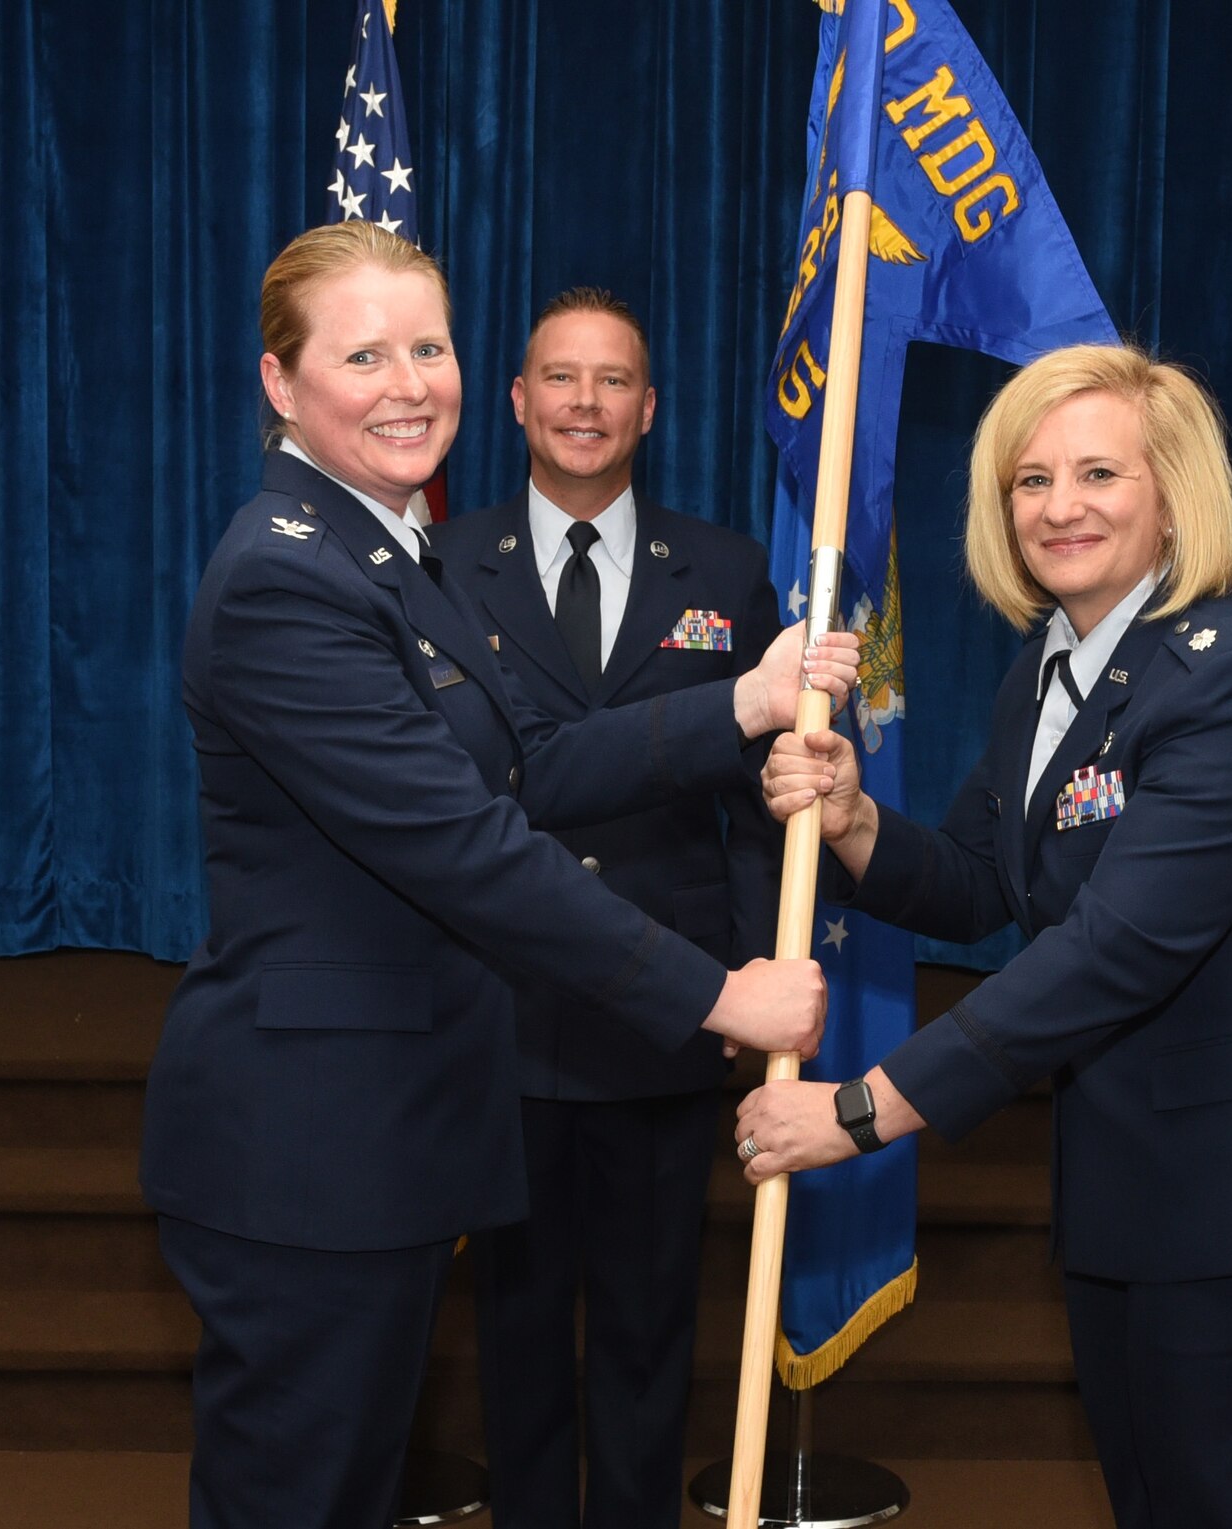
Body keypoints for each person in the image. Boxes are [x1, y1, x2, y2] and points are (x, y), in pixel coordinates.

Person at [137, 223, 856, 1529]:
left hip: (386, 1138)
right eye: (364, 353)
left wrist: (742, 702)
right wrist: (717, 997)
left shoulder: (391, 552)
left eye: (429, 345)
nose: (411, 381)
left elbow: (531, 760)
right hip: (310, 1145)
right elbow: (469, 849)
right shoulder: (286, 582)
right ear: (281, 385)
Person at [740, 343, 1232, 1529]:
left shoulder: (1228, 685)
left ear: (1169, 497)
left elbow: (1109, 951)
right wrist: (848, 819)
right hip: (1130, 1196)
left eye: (1098, 473)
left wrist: (857, 1112)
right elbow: (972, 884)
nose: (1058, 507)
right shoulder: (1046, 670)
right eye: (1028, 479)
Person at [435, 288, 783, 1529]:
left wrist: (750, 988)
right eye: (559, 379)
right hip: (506, 1012)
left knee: (648, 1334)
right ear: (518, 400)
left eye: (612, 381)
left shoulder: (731, 569)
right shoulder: (441, 563)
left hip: (670, 1017)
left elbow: (751, 802)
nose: (585, 403)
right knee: (517, 1332)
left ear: (648, 407)